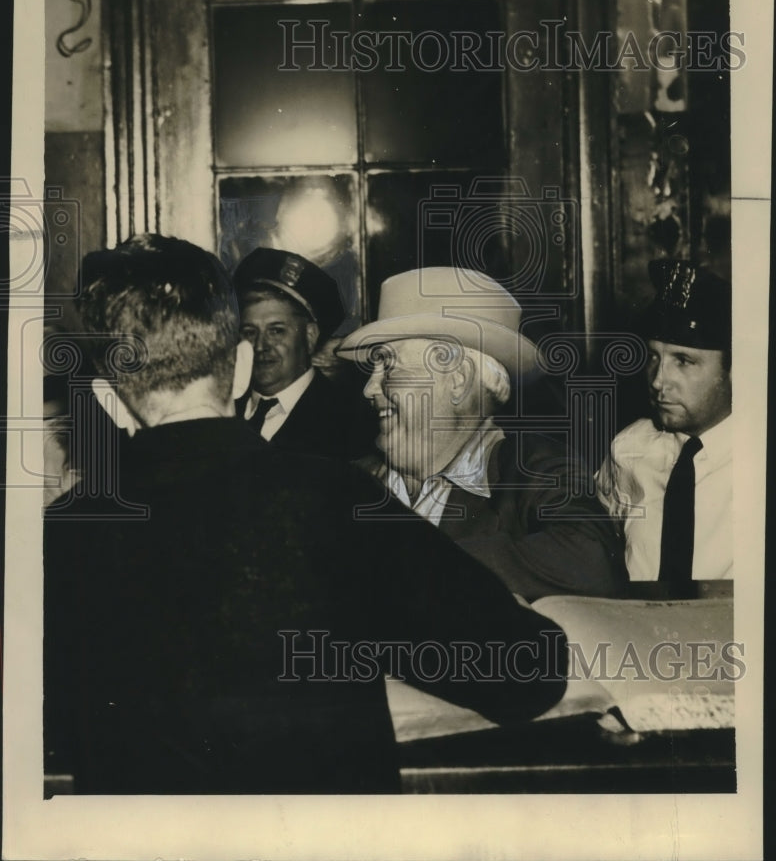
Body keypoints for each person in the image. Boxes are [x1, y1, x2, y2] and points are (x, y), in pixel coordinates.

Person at [43, 234, 568, 795]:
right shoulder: (334, 498)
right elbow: (527, 671)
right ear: (241, 366)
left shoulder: (61, 532)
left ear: (108, 394)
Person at [336, 267, 627, 601]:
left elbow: (594, 562)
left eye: (388, 365)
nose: (369, 388)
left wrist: (415, 561)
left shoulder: (536, 470)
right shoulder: (347, 481)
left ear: (457, 380)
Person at [595, 260, 732, 581]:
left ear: (732, 371)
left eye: (683, 361)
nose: (658, 381)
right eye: (654, 357)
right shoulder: (629, 448)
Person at [232, 246, 376, 459]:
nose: (261, 345)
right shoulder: (222, 411)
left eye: (276, 331)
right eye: (250, 332)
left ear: (310, 336)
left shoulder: (349, 423)